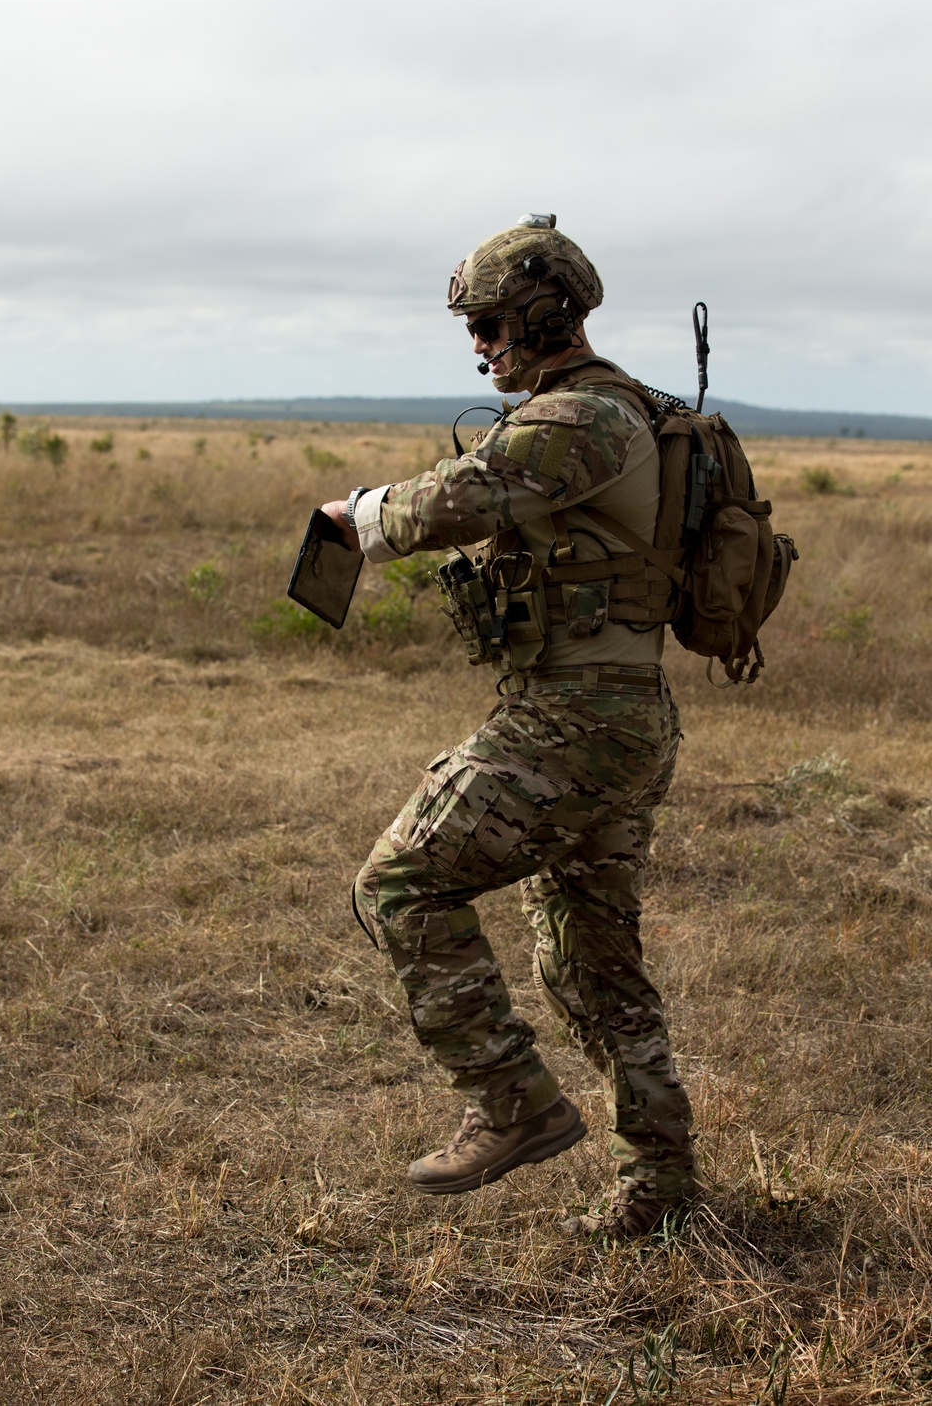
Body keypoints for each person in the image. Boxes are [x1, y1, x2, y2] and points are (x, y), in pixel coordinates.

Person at [322, 214, 702, 1240]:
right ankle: (659, 1188)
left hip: (572, 722)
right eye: (472, 328)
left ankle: (511, 1104)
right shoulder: (622, 411)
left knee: (398, 882)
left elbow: (454, 501)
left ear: (544, 313)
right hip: (615, 719)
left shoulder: (583, 419)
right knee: (591, 966)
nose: (480, 344)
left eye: (490, 323)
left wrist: (358, 514)